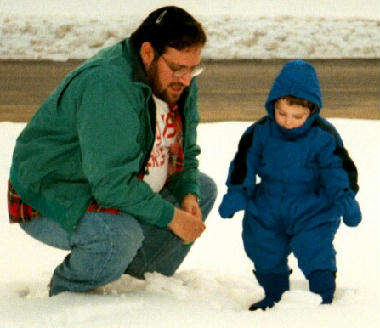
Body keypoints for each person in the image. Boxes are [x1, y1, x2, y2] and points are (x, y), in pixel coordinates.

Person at [8, 6, 217, 296]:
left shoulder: (176, 82)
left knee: (202, 189)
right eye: (179, 68)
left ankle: (136, 283)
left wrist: (188, 193)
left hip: (117, 179)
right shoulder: (107, 87)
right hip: (54, 191)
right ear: (147, 53)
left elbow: (186, 149)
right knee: (117, 237)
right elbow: (110, 184)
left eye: (193, 68)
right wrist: (172, 218)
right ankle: (69, 295)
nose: (186, 78)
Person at [218, 60, 361, 310]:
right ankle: (274, 294)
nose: (287, 121)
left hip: (312, 205)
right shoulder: (260, 131)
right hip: (269, 203)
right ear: (273, 104)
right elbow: (245, 162)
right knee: (261, 244)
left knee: (314, 248)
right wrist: (237, 191)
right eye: (282, 113)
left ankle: (323, 296)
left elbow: (337, 168)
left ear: (311, 112)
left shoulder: (323, 135)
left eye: (298, 116)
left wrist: (345, 197)